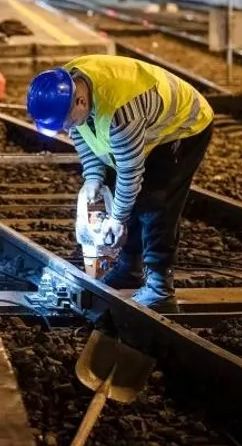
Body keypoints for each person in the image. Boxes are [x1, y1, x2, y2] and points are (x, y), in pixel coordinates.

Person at [26, 54, 214, 310]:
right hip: (145, 126)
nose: (65, 130)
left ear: (81, 101)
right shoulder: (66, 85)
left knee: (155, 202)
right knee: (118, 190)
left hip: (182, 126)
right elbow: (81, 132)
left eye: (65, 124)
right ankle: (130, 269)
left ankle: (160, 287)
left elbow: (130, 172)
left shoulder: (121, 114)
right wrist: (92, 176)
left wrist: (117, 219)